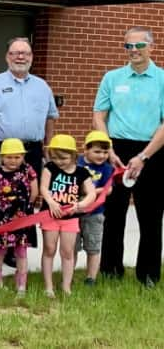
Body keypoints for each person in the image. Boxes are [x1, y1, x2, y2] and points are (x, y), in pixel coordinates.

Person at [93, 26, 164, 287]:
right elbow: (99, 115)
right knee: (113, 214)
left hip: (152, 151)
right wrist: (107, 147)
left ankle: (148, 275)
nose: (133, 51)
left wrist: (144, 156)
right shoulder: (112, 78)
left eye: (139, 46)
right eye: (128, 47)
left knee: (151, 215)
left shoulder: (162, 79)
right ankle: (110, 270)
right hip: (116, 152)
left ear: (151, 47)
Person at [0, 37, 58, 176]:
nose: (21, 57)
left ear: (31, 57)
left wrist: (48, 146)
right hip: (0, 151)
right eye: (15, 53)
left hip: (32, 152)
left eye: (25, 53)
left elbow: (50, 118)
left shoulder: (42, 86)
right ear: (7, 57)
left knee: (31, 195)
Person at [40, 134, 96, 297]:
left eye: (63, 158)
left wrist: (80, 205)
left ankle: (66, 286)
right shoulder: (49, 168)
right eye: (55, 157)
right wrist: (51, 202)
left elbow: (91, 193)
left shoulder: (82, 172)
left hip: (70, 219)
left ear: (73, 155)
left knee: (67, 251)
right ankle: (48, 287)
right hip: (50, 216)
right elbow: (44, 187)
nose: (59, 161)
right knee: (49, 249)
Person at [0, 138, 38, 295]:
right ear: (2, 157)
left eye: (17, 157)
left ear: (23, 157)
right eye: (9, 157)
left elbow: (34, 191)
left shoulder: (27, 170)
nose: (13, 160)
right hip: (4, 218)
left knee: (21, 251)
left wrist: (27, 208)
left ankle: (21, 283)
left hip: (23, 217)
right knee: (0, 250)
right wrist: (1, 209)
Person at [76, 130, 114, 286]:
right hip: (74, 213)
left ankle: (91, 278)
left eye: (105, 152)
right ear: (86, 149)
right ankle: (69, 273)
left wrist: (90, 192)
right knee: (72, 247)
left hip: (95, 213)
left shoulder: (106, 168)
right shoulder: (77, 163)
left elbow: (108, 189)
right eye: (97, 151)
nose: (101, 155)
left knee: (93, 247)